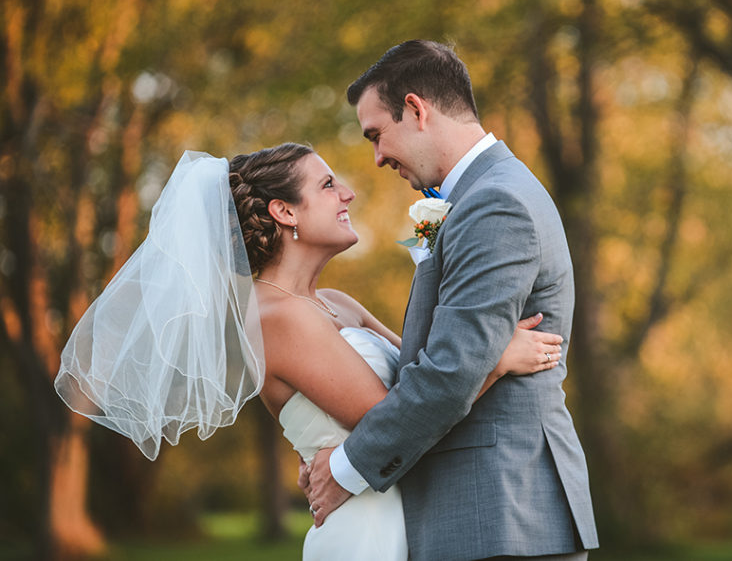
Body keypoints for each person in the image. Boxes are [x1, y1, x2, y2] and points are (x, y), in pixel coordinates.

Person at [54, 144, 564, 560]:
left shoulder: (335, 303)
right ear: (284, 211)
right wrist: (496, 360)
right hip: (366, 534)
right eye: (327, 185)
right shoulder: (275, 318)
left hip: (405, 518)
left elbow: (425, 374)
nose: (349, 192)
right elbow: (397, 417)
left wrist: (442, 265)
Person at [302, 40, 599, 560]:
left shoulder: (494, 204)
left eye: (377, 135)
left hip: (501, 509)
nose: (376, 159)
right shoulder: (473, 199)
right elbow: (438, 356)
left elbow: (448, 373)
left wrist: (346, 468)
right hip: (486, 511)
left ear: (416, 109)